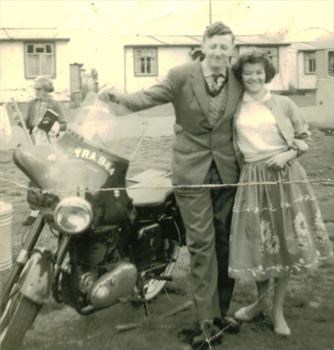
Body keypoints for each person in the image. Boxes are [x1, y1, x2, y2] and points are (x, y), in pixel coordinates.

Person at [99, 21, 242, 348]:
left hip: (227, 173)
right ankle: (206, 323)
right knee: (202, 244)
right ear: (203, 45)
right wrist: (114, 98)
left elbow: (262, 100)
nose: (220, 52)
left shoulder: (238, 79)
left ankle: (221, 313)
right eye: (214, 45)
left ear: (232, 51)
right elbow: (146, 98)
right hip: (191, 172)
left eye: (226, 47)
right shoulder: (181, 76)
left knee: (224, 242)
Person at [228, 49, 333, 336]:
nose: (253, 77)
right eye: (248, 73)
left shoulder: (283, 103)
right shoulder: (235, 106)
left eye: (258, 72)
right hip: (253, 179)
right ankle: (259, 305)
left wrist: (287, 156)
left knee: (286, 243)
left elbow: (304, 137)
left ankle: (277, 312)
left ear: (267, 74)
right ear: (241, 76)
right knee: (263, 245)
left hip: (285, 177)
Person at [23, 76, 66, 226]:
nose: (36, 92)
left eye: (39, 89)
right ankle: (34, 211)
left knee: (51, 173)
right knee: (34, 173)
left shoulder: (54, 104)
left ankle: (52, 205)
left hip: (50, 143)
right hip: (35, 142)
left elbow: (64, 124)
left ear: (47, 90)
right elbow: (27, 122)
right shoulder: (31, 104)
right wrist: (19, 120)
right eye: (35, 89)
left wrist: (52, 128)